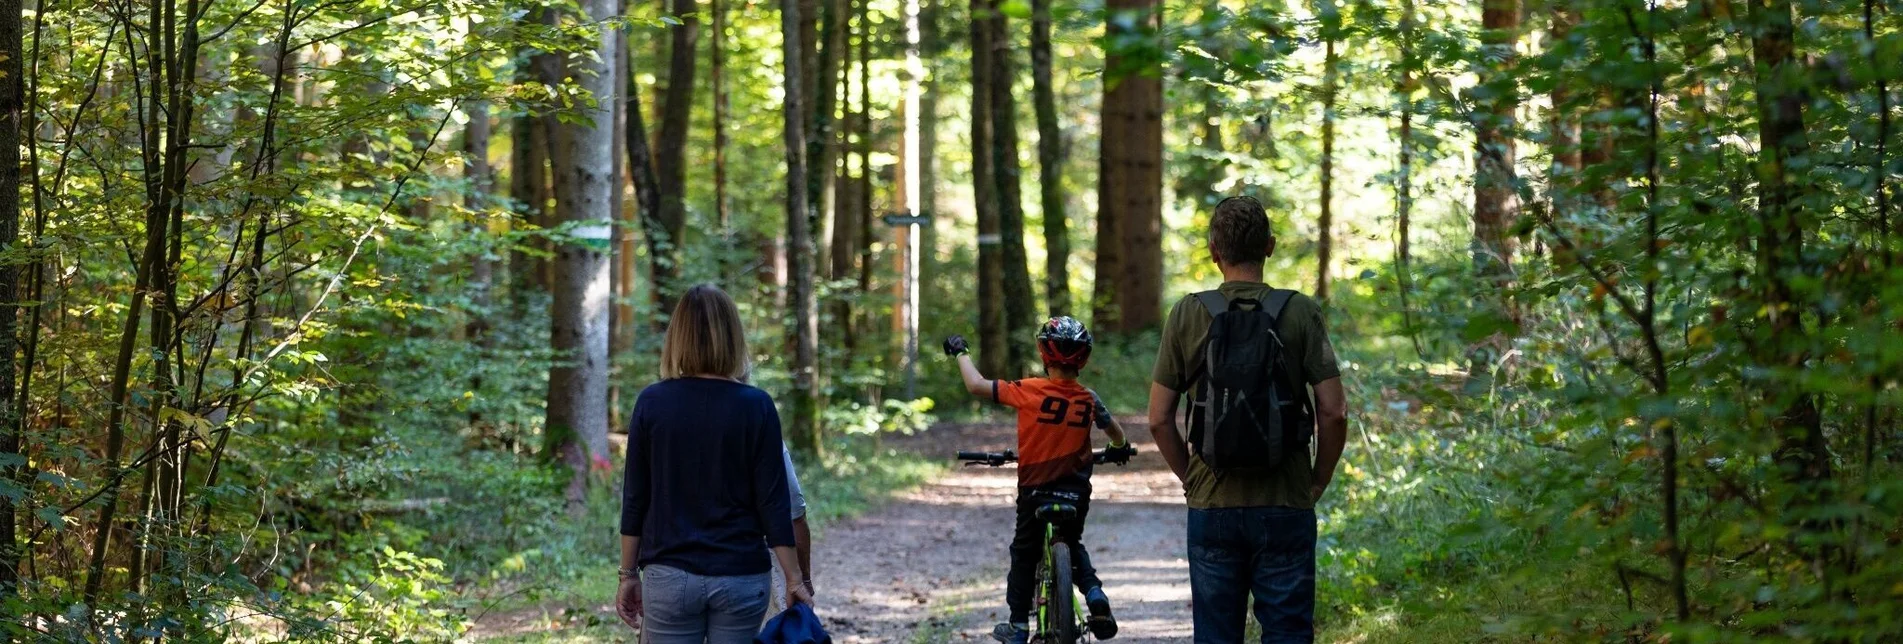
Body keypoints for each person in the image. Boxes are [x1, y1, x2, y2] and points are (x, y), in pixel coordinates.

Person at [1145, 196, 1350, 644]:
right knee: (1288, 634)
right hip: (1286, 499)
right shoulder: (1300, 311)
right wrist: (1317, 481)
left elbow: (1159, 420)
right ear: (1270, 247)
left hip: (1212, 502)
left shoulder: (1187, 312)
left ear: (1214, 250)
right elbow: (1334, 412)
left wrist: (1191, 479)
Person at [616, 284, 814, 643]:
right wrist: (794, 578)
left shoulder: (652, 402)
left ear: (677, 337)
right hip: (740, 577)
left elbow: (635, 498)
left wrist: (628, 574)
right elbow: (774, 504)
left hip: (669, 577)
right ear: (733, 336)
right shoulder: (757, 406)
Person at [943, 317, 1136, 644]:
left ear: (1045, 355)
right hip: (1076, 492)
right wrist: (1118, 449)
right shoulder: (1088, 399)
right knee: (1072, 543)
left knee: (1024, 553)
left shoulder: (1027, 390)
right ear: (1083, 358)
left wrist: (961, 352)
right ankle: (1095, 595)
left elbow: (976, 385)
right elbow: (1116, 433)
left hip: (1035, 492)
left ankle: (1018, 626)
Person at [765, 444, 814, 622]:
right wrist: (801, 580)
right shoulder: (761, 424)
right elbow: (794, 516)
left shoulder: (674, 422)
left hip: (678, 566)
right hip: (742, 569)